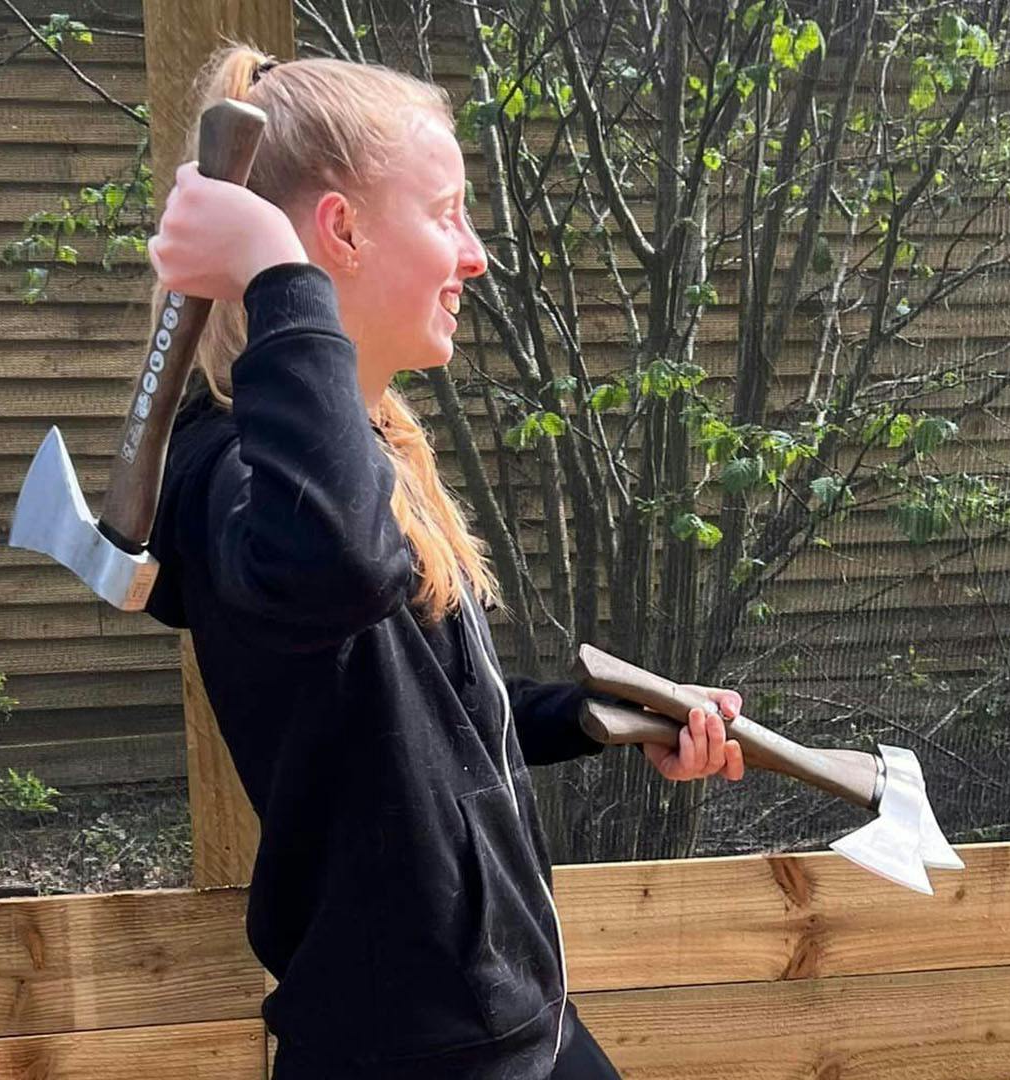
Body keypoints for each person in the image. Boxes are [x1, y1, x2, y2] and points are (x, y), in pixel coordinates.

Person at [142, 45, 747, 1080]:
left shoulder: (362, 450)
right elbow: (335, 565)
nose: (475, 257)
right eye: (448, 215)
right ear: (341, 231)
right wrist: (278, 275)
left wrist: (604, 717)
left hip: (511, 1018)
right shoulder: (237, 474)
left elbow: (424, 720)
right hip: (410, 1051)